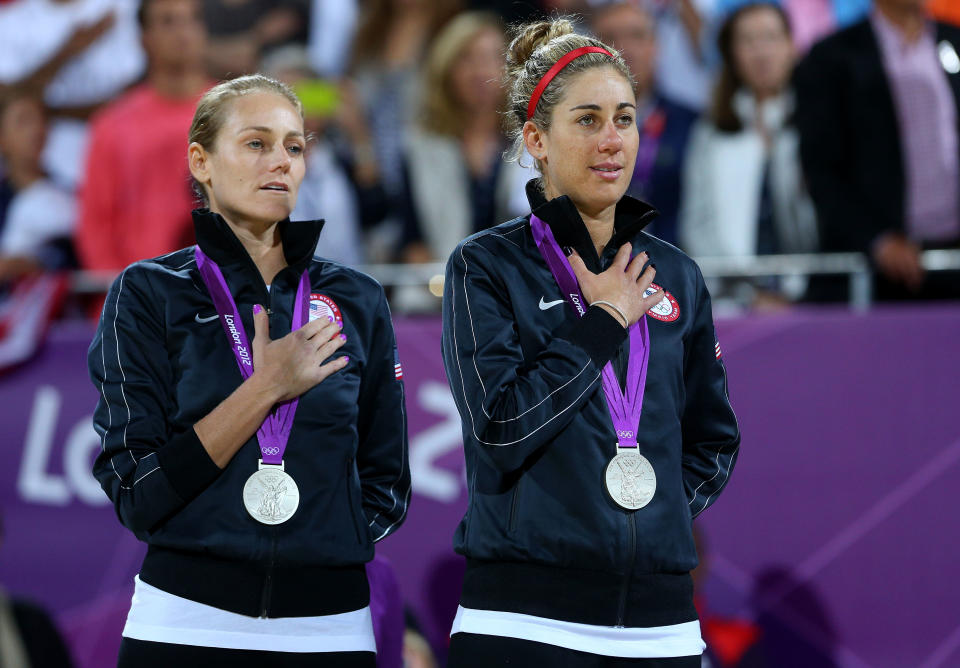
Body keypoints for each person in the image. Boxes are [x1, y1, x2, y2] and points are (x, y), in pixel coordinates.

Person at [441, 18, 740, 667]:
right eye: (588, 120)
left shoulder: (677, 274)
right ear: (537, 139)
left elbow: (712, 439)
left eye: (624, 119)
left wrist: (644, 514)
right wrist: (604, 319)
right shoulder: (486, 266)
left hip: (660, 627)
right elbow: (500, 427)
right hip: (524, 620)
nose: (611, 141)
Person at [88, 74, 410, 666]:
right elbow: (137, 492)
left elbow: (386, 480)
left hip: (331, 629)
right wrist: (265, 387)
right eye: (257, 143)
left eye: (294, 146)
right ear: (201, 161)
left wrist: (326, 547)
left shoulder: (357, 299)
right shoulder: (148, 293)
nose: (280, 163)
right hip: (184, 626)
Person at [794, 0, 960, 300]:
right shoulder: (830, 58)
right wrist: (878, 239)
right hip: (876, 269)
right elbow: (820, 169)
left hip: (953, 259)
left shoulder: (954, 41)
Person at [679, 2, 817, 306]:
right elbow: (696, 223)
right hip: (731, 301)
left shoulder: (817, 122)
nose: (761, 51)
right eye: (748, 40)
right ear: (731, 54)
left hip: (812, 295)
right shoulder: (712, 129)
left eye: (770, 37)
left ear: (792, 46)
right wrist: (747, 294)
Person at [76, 0, 210, 274]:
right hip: (139, 297)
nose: (183, 31)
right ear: (144, 39)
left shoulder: (237, 115)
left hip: (223, 299)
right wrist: (120, 298)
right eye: (168, 21)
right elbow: (96, 223)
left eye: (192, 19)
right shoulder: (112, 125)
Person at [400, 11, 530, 265]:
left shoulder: (531, 140)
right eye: (466, 58)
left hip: (517, 284)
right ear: (446, 69)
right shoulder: (420, 146)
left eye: (491, 58)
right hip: (442, 286)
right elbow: (410, 237)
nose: (480, 71)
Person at [591, 1, 699, 248]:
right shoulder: (575, 124)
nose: (624, 48)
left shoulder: (691, 124)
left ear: (656, 47)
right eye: (609, 38)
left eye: (637, 36)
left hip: (674, 263)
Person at [0, 89, 76, 283]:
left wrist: (37, 263)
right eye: (23, 121)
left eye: (42, 120)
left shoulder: (70, 195)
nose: (36, 130)